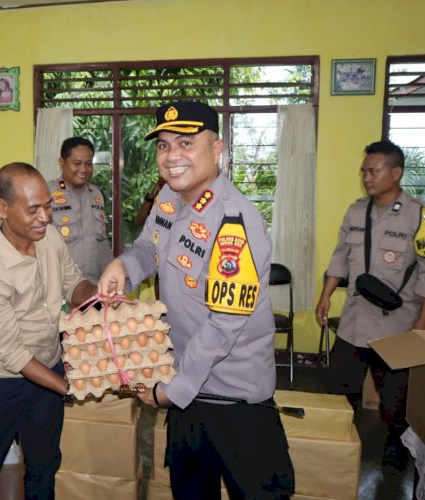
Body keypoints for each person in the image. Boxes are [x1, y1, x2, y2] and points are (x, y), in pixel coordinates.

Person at [98, 101, 294, 499]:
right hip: (185, 385)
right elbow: (148, 249)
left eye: (186, 143)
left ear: (217, 148)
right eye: (164, 145)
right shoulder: (169, 198)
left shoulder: (234, 219)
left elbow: (225, 324)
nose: (172, 156)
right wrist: (123, 267)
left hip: (233, 398)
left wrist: (171, 391)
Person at [0, 162, 97, 499]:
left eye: (48, 206)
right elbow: (14, 355)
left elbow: (72, 283)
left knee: (44, 466)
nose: (45, 217)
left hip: (46, 369)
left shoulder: (48, 239)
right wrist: (66, 387)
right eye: (33, 209)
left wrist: (100, 295)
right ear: (2, 208)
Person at [315, 140, 425, 470]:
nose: (367, 177)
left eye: (373, 171)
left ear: (396, 173)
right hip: (355, 318)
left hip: (396, 322)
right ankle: (340, 440)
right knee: (340, 385)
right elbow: (341, 255)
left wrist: (424, 322)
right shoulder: (356, 210)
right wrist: (326, 294)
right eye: (364, 171)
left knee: (395, 394)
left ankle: (395, 447)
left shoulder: (424, 215)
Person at [47, 137, 113, 283]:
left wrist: (110, 275)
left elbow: (101, 242)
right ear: (62, 162)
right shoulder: (46, 193)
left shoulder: (96, 194)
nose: (83, 169)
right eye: (77, 163)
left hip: (92, 286)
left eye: (88, 164)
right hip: (61, 287)